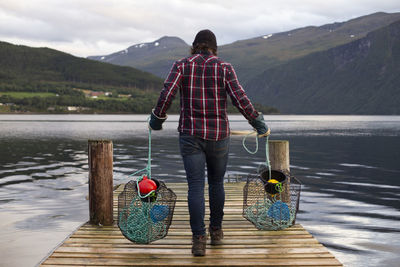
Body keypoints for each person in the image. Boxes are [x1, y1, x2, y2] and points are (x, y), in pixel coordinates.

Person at [149, 29, 270, 256]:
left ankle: (198, 241)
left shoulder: (182, 65)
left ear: (195, 46)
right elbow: (240, 99)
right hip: (219, 136)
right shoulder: (225, 68)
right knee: (216, 184)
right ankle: (216, 232)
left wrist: (157, 119)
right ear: (214, 48)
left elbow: (167, 94)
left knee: (195, 185)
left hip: (190, 134)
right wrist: (257, 122)